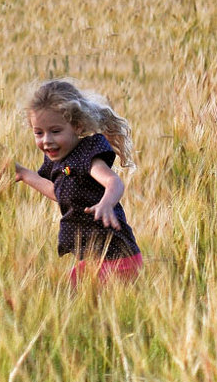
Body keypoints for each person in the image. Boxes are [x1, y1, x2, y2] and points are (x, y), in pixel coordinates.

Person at [13, 79, 142, 284]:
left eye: (55, 131)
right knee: (67, 298)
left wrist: (106, 204)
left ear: (77, 126)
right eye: (39, 132)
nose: (46, 140)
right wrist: (25, 174)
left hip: (117, 259)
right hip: (91, 259)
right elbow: (61, 193)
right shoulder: (58, 161)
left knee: (78, 302)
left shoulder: (87, 155)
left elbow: (113, 181)